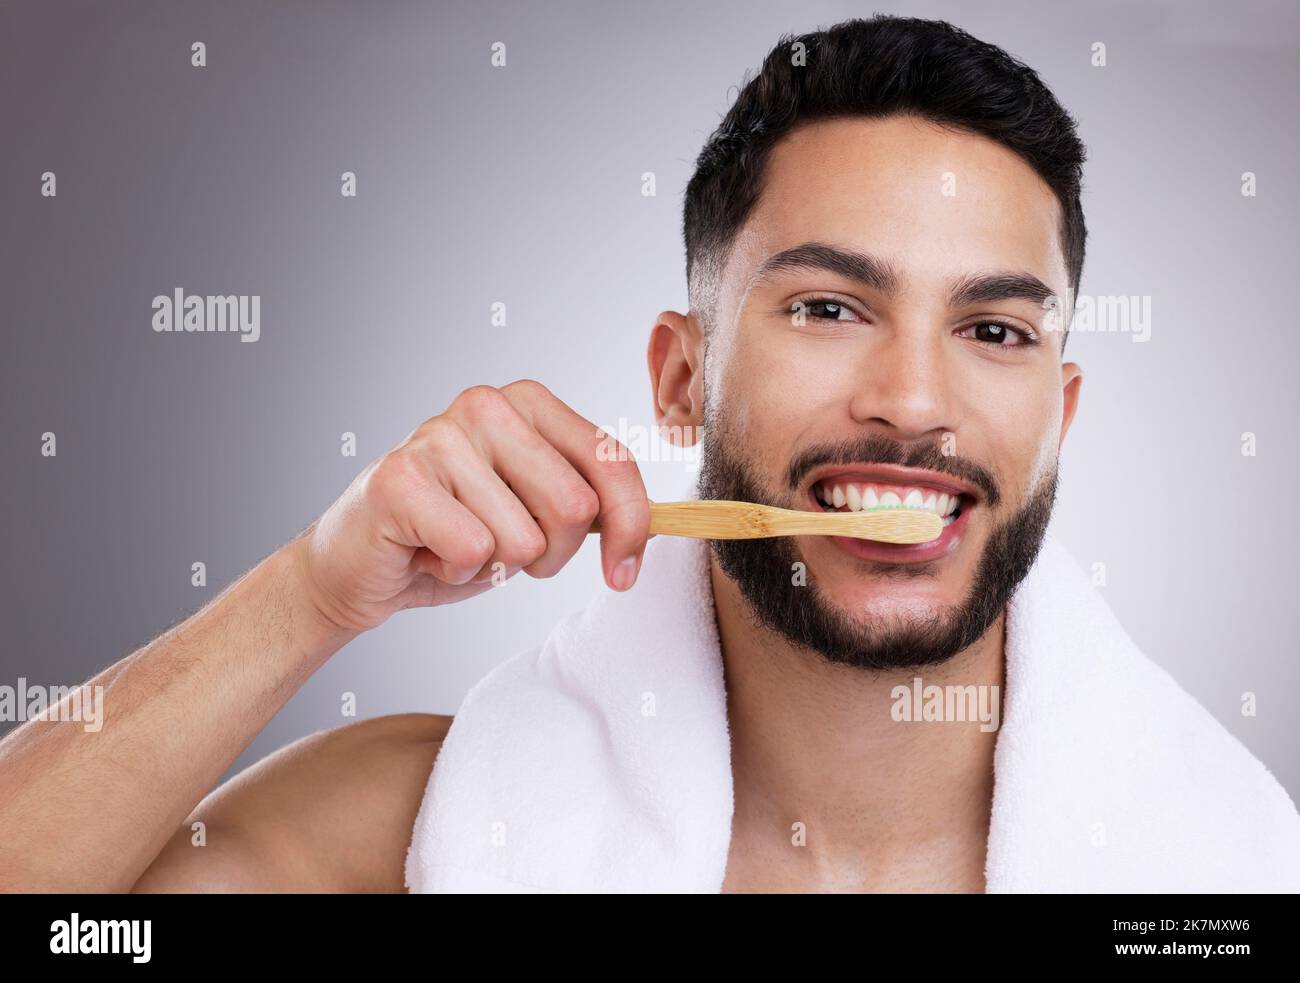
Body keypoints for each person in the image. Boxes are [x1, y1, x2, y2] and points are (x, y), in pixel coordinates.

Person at [2, 15, 1296, 893]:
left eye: (994, 327)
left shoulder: (1226, 875)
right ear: (681, 380)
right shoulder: (421, 828)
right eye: (831, 307)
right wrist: (309, 596)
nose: (914, 401)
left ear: (1059, 413)